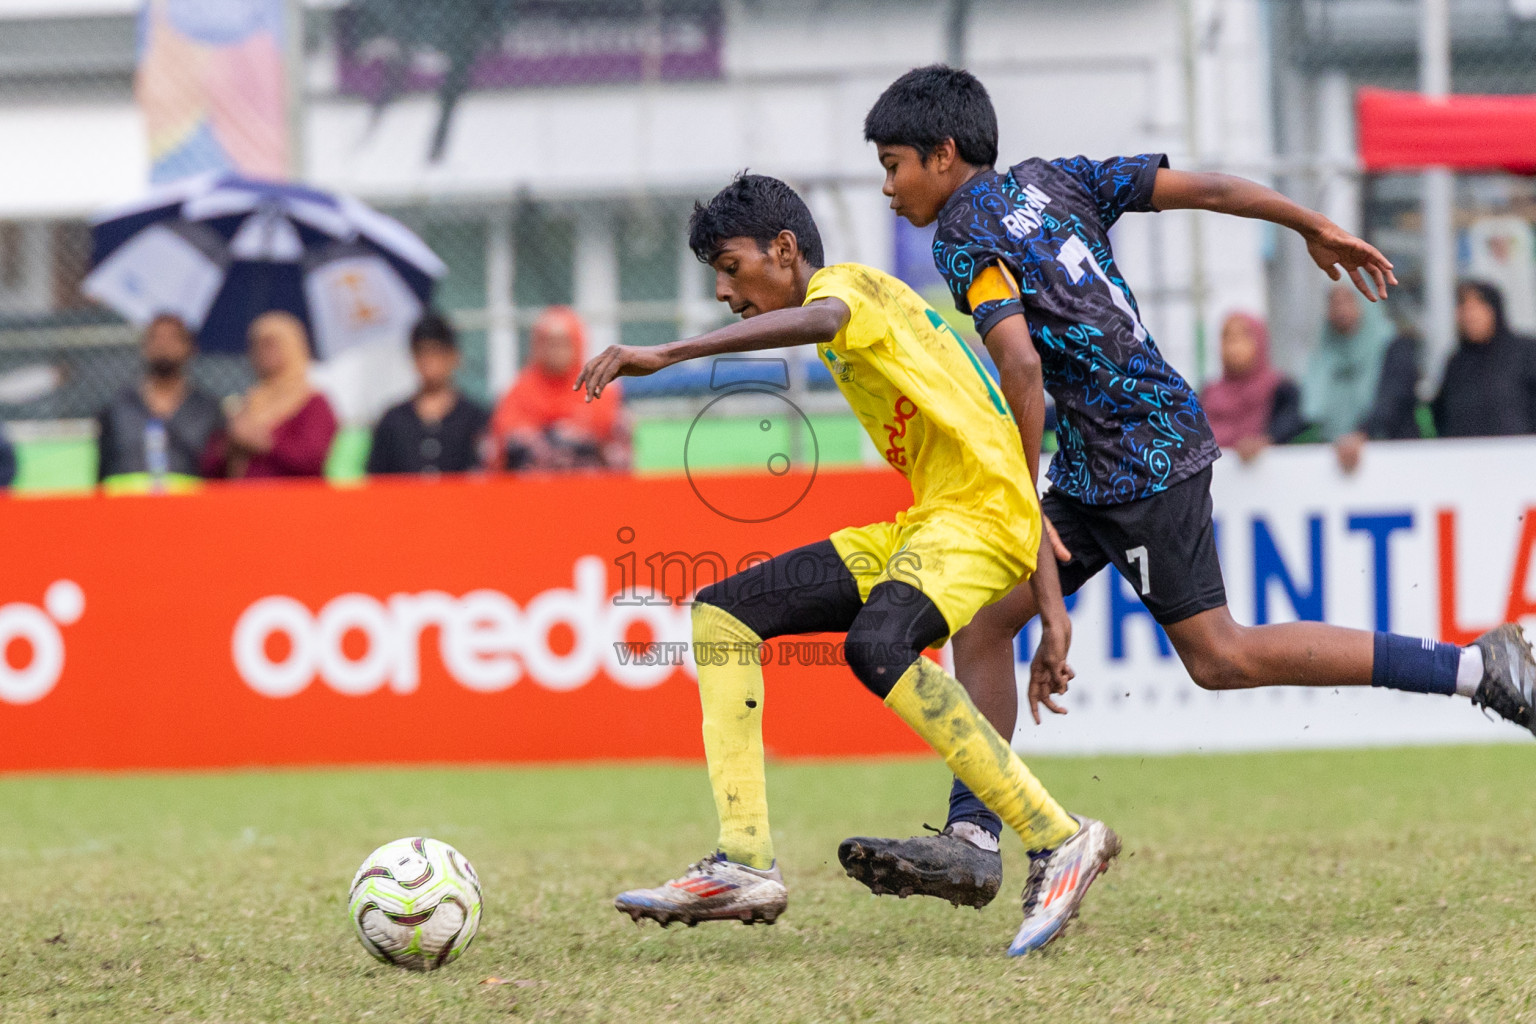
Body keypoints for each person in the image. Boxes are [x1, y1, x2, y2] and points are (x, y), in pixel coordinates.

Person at [845, 64, 1536, 913]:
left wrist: (1016, 501)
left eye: (894, 164)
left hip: (1138, 457)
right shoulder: (1058, 178)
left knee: (1220, 657)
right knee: (987, 623)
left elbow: (1020, 362)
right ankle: (974, 837)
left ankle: (1480, 668)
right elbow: (1203, 187)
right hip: (1118, 449)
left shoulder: (960, 231)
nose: (887, 186)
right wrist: (1311, 222)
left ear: (943, 156)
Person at [576, 174, 1120, 957]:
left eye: (732, 268)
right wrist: (1048, 592)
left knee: (877, 644)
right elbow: (995, 429)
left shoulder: (847, 289)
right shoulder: (869, 315)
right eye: (717, 279)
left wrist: (670, 352)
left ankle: (1058, 836)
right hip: (935, 521)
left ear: (786, 250)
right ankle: (743, 863)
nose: (726, 292)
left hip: (973, 519)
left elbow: (825, 316)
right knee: (722, 613)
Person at [489, 306, 630, 472]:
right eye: (549, 342)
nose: (555, 350)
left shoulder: (601, 391)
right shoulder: (518, 392)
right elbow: (501, 443)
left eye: (563, 343)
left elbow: (616, 450)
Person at [200, 311, 338, 480]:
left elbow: (312, 459)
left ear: (292, 346)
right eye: (255, 345)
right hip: (241, 502)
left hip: (292, 503)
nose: (261, 352)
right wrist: (231, 446)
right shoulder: (247, 403)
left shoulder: (313, 403)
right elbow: (210, 469)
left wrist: (266, 443)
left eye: (270, 344)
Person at [96, 314, 223, 491]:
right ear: (144, 347)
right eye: (156, 338)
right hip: (127, 510)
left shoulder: (207, 409)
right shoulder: (118, 407)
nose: (163, 345)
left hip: (188, 510)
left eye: (173, 338)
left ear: (190, 347)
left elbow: (219, 471)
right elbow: (102, 469)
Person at [1305, 285, 1421, 472]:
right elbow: (1307, 411)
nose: (1341, 310)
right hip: (1334, 464)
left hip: (1394, 460)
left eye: (1348, 300)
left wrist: (1362, 435)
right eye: (1334, 303)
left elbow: (1391, 401)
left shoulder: (1393, 347)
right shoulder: (1322, 355)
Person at [366, 312, 489, 476]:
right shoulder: (394, 421)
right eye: (422, 352)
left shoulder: (474, 419)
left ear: (454, 356)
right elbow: (376, 479)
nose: (429, 360)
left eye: (437, 352)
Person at [1431, 281, 1536, 438]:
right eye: (1464, 308)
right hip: (1464, 455)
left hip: (1518, 455)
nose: (1470, 316)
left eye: (1477, 307)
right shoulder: (1457, 362)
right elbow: (1441, 413)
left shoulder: (1524, 352)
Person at [1199, 312, 1304, 461]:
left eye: (1244, 337)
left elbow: (1293, 425)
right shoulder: (1207, 394)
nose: (1234, 346)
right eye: (1227, 337)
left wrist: (1265, 441)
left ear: (1260, 341)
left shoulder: (1281, 390)